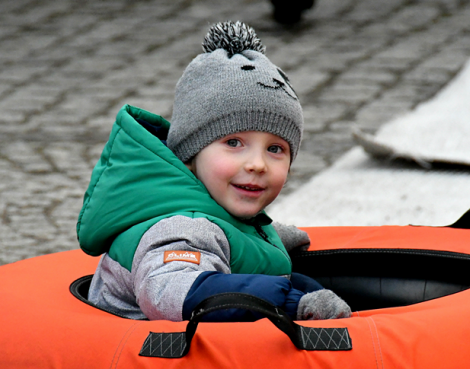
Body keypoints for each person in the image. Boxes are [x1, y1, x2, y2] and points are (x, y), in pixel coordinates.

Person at [77, 21, 351, 322]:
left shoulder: (209, 213)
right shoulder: (183, 231)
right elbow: (169, 291)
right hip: (151, 361)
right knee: (298, 292)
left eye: (275, 149)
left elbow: (216, 230)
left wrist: (261, 237)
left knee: (306, 285)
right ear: (190, 155)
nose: (257, 164)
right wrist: (289, 304)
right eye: (234, 143)